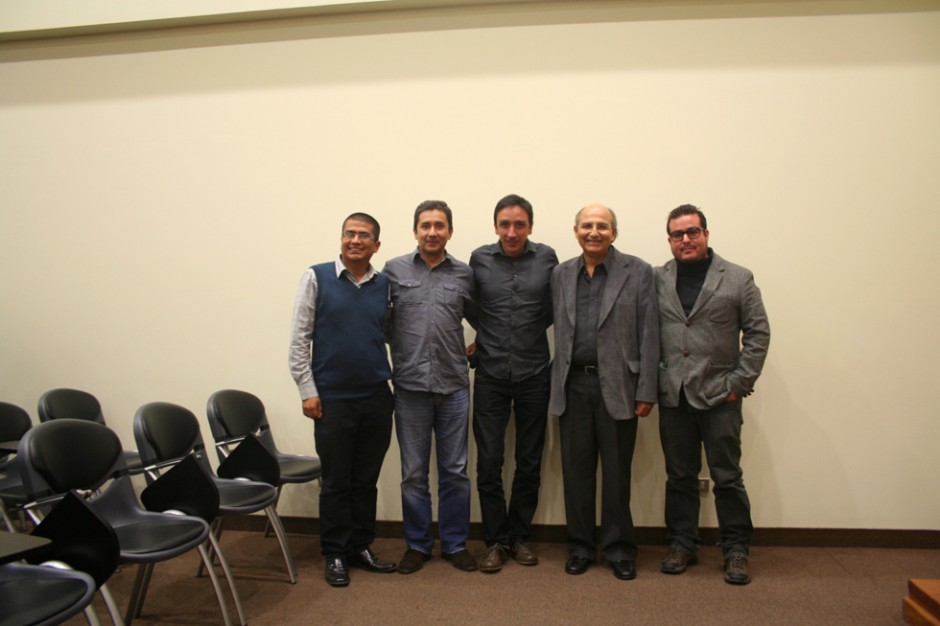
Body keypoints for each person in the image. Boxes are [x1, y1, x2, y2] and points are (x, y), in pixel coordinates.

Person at [655, 204, 770, 585]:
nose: (685, 239)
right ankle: (682, 544)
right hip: (674, 395)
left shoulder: (737, 277)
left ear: (706, 233)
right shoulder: (657, 279)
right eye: (677, 234)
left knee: (727, 477)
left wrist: (739, 383)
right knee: (679, 476)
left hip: (720, 395)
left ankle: (736, 549)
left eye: (692, 232)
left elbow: (758, 333)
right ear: (669, 239)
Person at [548, 203, 660, 581]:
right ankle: (580, 547)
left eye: (602, 226)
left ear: (614, 232)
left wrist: (647, 389)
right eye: (586, 225)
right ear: (575, 231)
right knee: (576, 475)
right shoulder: (561, 274)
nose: (593, 232)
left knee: (616, 476)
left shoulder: (638, 272)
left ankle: (619, 549)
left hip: (620, 387)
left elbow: (650, 333)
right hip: (573, 385)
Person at [288, 212, 398, 587]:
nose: (355, 240)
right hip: (332, 400)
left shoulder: (384, 285)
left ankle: (360, 546)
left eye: (364, 235)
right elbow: (299, 340)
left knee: (366, 481)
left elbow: (386, 334)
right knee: (336, 481)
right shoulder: (316, 277)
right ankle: (335, 552)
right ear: (341, 239)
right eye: (349, 233)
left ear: (376, 245)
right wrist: (308, 391)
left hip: (376, 398)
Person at [383, 200, 478, 575]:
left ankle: (455, 544)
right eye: (426, 225)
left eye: (440, 225)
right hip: (410, 388)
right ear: (415, 231)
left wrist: (480, 344)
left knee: (455, 471)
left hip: (454, 386)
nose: (433, 232)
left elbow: (484, 318)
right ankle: (418, 545)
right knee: (413, 473)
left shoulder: (465, 274)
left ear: (450, 231)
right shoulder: (394, 271)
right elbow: (380, 323)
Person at [468, 194, 558, 573]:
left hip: (534, 373)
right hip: (490, 374)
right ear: (495, 226)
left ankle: (518, 537)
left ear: (530, 227)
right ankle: (495, 540)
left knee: (529, 461)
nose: (511, 232)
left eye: (519, 224)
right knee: (489, 462)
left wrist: (524, 331)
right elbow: (471, 305)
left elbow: (552, 308)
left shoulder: (547, 258)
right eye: (504, 224)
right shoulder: (479, 259)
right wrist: (489, 335)